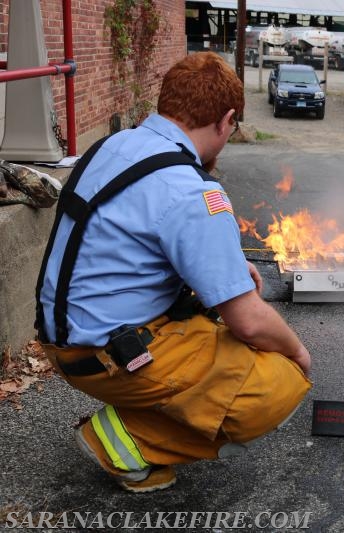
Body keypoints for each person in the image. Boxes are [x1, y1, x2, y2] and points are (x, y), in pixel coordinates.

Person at [36, 52, 312, 493]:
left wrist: (225, 265)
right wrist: (298, 354)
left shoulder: (114, 146)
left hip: (66, 339)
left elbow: (130, 237)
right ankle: (128, 442)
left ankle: (139, 418)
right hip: (107, 356)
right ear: (225, 121)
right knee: (280, 383)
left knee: (214, 317)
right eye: (233, 128)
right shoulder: (193, 191)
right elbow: (249, 319)